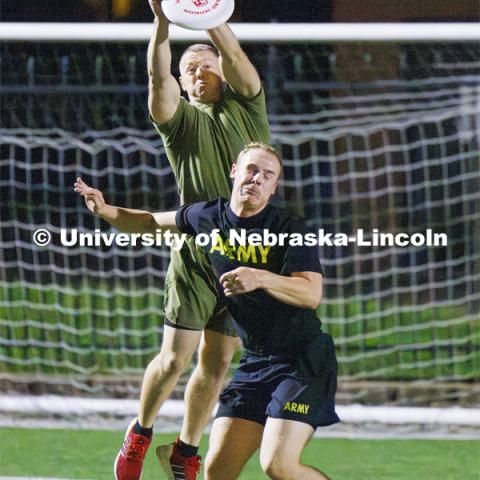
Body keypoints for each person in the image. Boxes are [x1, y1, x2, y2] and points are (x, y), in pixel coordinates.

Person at [74, 142, 339, 480]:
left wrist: (259, 278)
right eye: (251, 170)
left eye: (267, 175)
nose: (256, 179)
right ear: (234, 172)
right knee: (216, 471)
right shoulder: (207, 216)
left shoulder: (288, 227)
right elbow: (151, 222)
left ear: (274, 187)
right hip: (256, 364)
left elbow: (311, 292)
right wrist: (106, 210)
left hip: (302, 363)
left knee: (278, 464)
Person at [109, 0, 271, 478]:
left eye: (205, 62)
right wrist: (163, 21)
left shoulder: (249, 107)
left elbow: (238, 58)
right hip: (197, 252)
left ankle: (185, 449)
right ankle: (140, 432)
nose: (198, 69)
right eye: (189, 67)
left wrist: (209, 16)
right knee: (175, 357)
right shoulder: (178, 122)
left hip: (245, 255)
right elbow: (159, 81)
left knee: (217, 361)